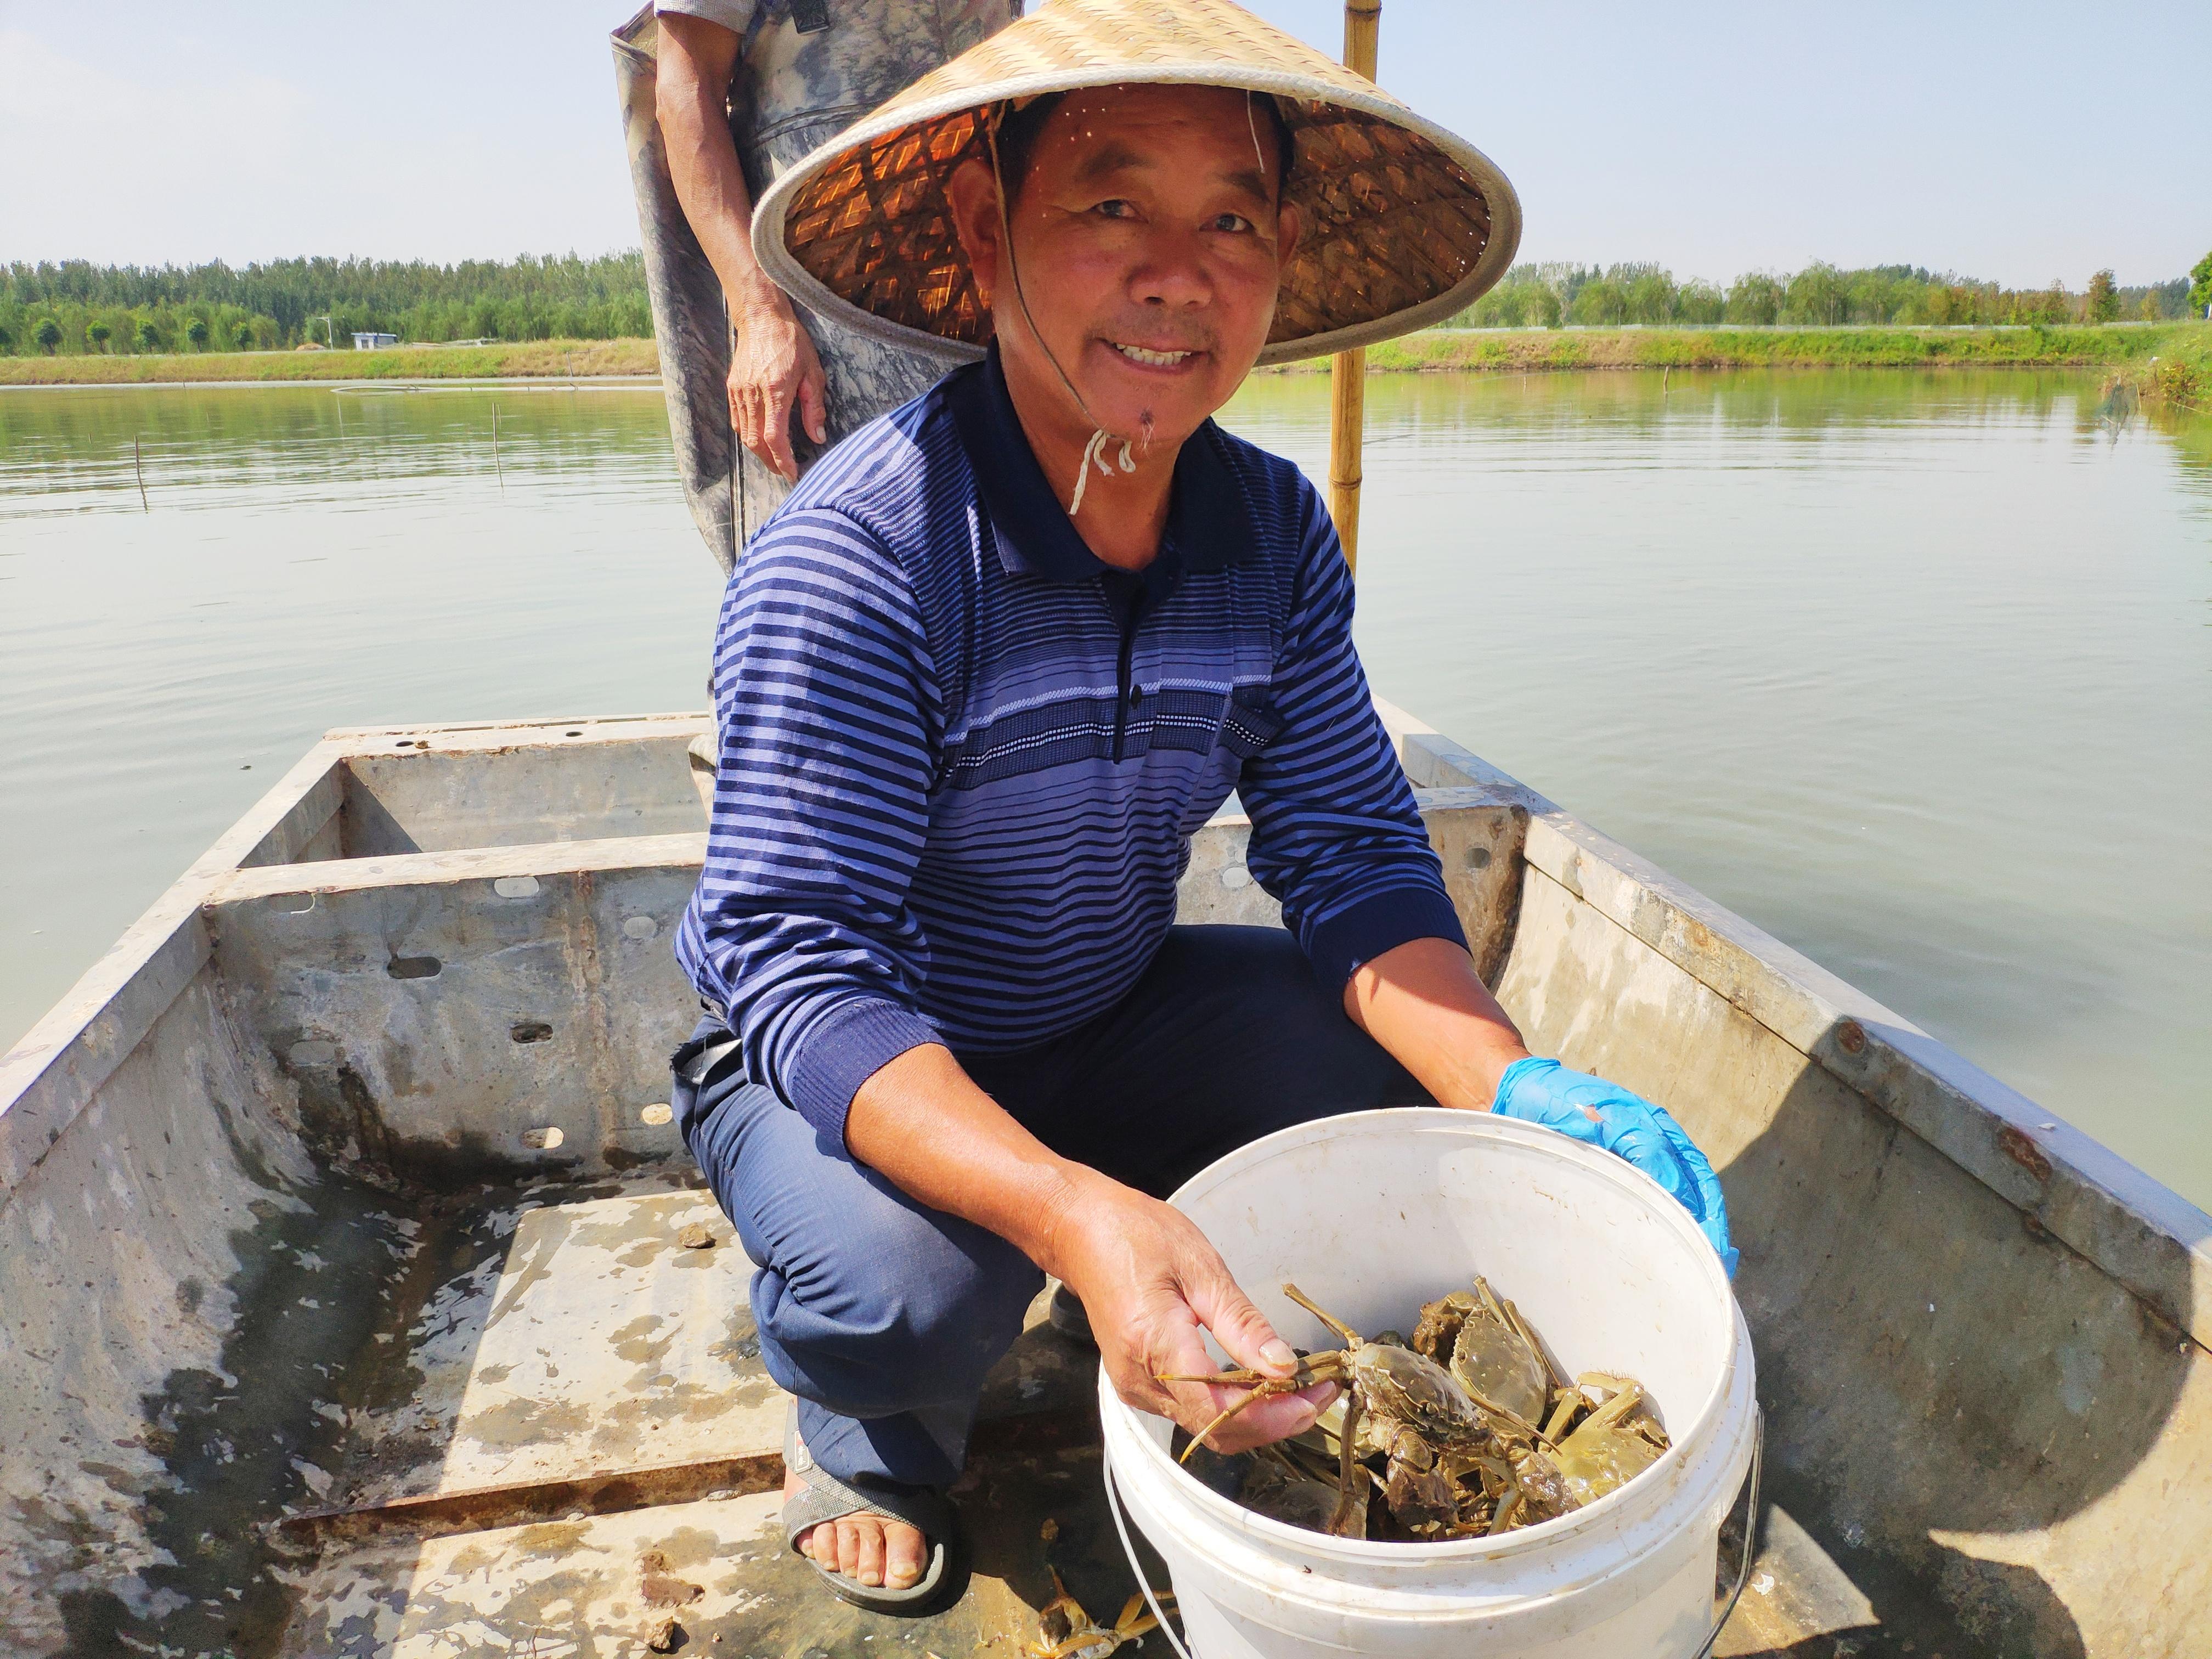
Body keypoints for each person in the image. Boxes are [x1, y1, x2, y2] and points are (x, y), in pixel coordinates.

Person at [669, 0, 1735, 1613]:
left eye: (1230, 219)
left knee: (1422, 1126)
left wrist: (1519, 1093)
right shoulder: (859, 560)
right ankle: (862, 1426)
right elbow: (799, 970)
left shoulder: (1269, 532)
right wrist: (1064, 1209)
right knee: (902, 1290)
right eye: (1110, 205)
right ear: (984, 226)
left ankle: (1135, 1246)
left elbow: (1358, 859)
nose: (1178, 272)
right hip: (860, 1057)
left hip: (1111, 1008)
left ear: (1284, 254)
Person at [611, 1, 1020, 567]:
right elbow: (686, 89)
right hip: (818, 322)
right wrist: (758, 314)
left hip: (997, 296)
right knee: (832, 580)